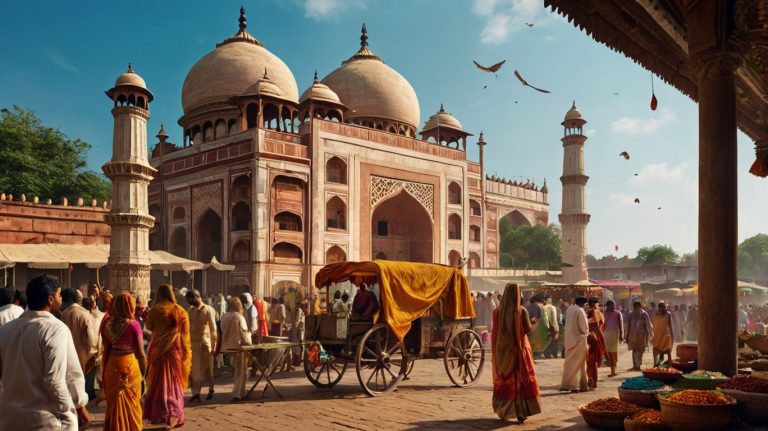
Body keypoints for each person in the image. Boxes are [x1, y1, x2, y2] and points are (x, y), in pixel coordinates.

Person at [0, 275, 90, 431]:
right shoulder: (55, 329)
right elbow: (55, 380)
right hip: (46, 420)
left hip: (10, 418)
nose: (61, 298)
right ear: (50, 299)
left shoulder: (6, 330)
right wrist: (73, 409)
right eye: (59, 294)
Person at [492, 283, 541, 423]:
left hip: (502, 350)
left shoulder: (496, 311)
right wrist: (533, 323)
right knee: (520, 380)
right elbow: (527, 329)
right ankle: (520, 411)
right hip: (519, 349)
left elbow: (495, 331)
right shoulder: (521, 311)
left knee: (505, 381)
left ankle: (504, 409)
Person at [144, 284, 192, 429]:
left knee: (159, 381)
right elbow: (185, 335)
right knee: (174, 382)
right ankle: (174, 414)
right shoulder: (181, 311)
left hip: (158, 351)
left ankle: (160, 413)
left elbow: (150, 327)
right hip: (175, 351)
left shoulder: (155, 311)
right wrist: (185, 352)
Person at [101, 293, 145, 431]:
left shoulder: (107, 324)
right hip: (129, 366)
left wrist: (104, 371)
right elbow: (140, 353)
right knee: (131, 404)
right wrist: (144, 373)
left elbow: (106, 349)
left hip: (111, 366)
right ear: (130, 306)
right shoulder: (134, 325)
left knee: (114, 403)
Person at [62, 289, 99, 400]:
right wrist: (94, 353)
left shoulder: (64, 314)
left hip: (68, 352)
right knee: (86, 381)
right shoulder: (84, 313)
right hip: (84, 353)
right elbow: (90, 339)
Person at [216, 296, 251, 402]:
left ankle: (239, 392)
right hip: (239, 347)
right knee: (242, 371)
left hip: (227, 347)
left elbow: (220, 332)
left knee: (237, 371)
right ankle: (238, 393)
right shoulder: (239, 317)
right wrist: (250, 342)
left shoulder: (224, 316)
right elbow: (244, 335)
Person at [186, 289, 218, 403]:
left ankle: (211, 388)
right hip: (193, 344)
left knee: (208, 369)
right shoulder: (191, 311)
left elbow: (213, 329)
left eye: (190, 299)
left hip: (206, 344)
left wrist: (214, 346)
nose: (189, 301)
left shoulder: (208, 310)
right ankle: (196, 393)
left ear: (197, 297)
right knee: (195, 370)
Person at [560, 297, 589, 392]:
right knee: (579, 362)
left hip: (569, 339)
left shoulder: (570, 309)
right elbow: (584, 327)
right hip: (578, 339)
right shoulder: (580, 310)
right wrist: (587, 333)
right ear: (583, 304)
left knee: (570, 362)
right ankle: (573, 385)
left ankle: (580, 384)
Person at [585, 298, 607, 389]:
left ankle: (592, 380)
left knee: (591, 361)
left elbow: (596, 322)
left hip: (592, 338)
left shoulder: (592, 312)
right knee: (592, 361)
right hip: (595, 338)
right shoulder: (597, 312)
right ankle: (592, 380)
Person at [625, 301, 653, 371]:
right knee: (634, 349)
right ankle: (635, 366)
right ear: (634, 307)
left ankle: (638, 365)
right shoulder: (631, 314)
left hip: (642, 334)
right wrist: (627, 336)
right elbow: (628, 325)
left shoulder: (644, 314)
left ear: (640, 306)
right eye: (636, 306)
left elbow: (648, 324)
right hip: (633, 334)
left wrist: (650, 334)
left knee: (641, 349)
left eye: (638, 306)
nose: (637, 308)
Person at [602, 300, 624, 377]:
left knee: (613, 352)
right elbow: (604, 323)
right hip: (606, 333)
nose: (613, 307)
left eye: (613, 305)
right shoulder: (605, 313)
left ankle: (613, 370)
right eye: (611, 305)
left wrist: (621, 335)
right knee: (607, 352)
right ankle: (612, 370)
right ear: (607, 306)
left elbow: (620, 325)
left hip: (615, 333)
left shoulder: (618, 313)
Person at [651, 302, 674, 366]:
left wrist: (672, 335)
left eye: (664, 307)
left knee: (667, 351)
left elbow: (670, 326)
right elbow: (653, 325)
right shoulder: (656, 314)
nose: (663, 309)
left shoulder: (668, 314)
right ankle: (656, 364)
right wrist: (652, 335)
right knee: (656, 350)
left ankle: (668, 365)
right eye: (661, 308)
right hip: (657, 335)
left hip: (665, 336)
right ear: (659, 308)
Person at [541, 295, 560, 359]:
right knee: (554, 341)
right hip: (554, 326)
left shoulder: (545, 307)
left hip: (549, 326)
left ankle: (548, 354)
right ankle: (554, 354)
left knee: (549, 341)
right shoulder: (553, 307)